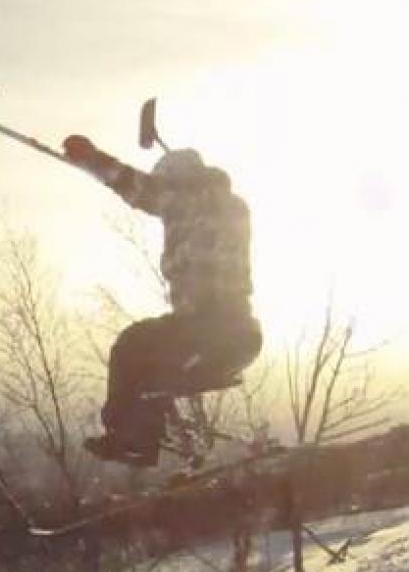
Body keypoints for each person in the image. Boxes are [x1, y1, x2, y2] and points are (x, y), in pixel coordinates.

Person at [62, 134, 263, 466]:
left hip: (215, 328)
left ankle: (136, 440)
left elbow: (139, 188)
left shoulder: (193, 201)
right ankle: (144, 438)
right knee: (143, 349)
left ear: (178, 182)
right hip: (227, 329)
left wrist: (91, 158)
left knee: (134, 347)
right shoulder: (222, 205)